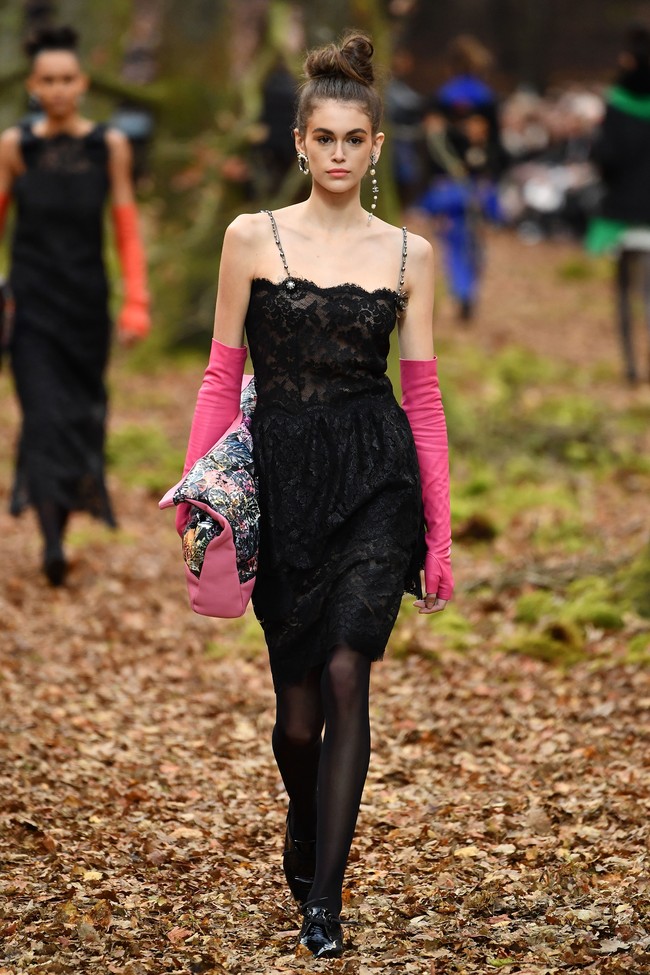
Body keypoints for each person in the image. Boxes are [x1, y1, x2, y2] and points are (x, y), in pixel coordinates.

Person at [175, 32, 453, 959]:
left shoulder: (410, 254)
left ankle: (323, 900)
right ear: (300, 142)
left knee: (347, 672)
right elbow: (221, 379)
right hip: (284, 480)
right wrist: (204, 495)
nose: (339, 154)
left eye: (355, 139)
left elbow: (424, 398)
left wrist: (439, 533)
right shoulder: (251, 237)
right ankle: (306, 815)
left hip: (377, 477)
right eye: (323, 138)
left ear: (377, 148)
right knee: (297, 720)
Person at [0, 25, 150, 585]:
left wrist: (136, 302)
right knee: (41, 416)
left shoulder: (108, 146)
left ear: (83, 83)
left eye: (68, 79)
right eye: (48, 80)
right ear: (34, 84)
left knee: (77, 418)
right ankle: (52, 541)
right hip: (31, 307)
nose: (59, 89)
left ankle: (60, 520)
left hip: (87, 306)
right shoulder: (15, 147)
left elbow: (127, 229)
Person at [416, 35, 505, 321]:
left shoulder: (440, 98)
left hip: (446, 185)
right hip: (478, 185)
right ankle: (471, 289)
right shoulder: (488, 99)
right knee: (475, 241)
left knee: (452, 242)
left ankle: (462, 289)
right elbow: (498, 146)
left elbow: (430, 145)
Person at [586, 23, 650, 384]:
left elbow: (604, 156)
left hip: (622, 216)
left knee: (624, 294)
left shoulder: (617, 103)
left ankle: (630, 365)